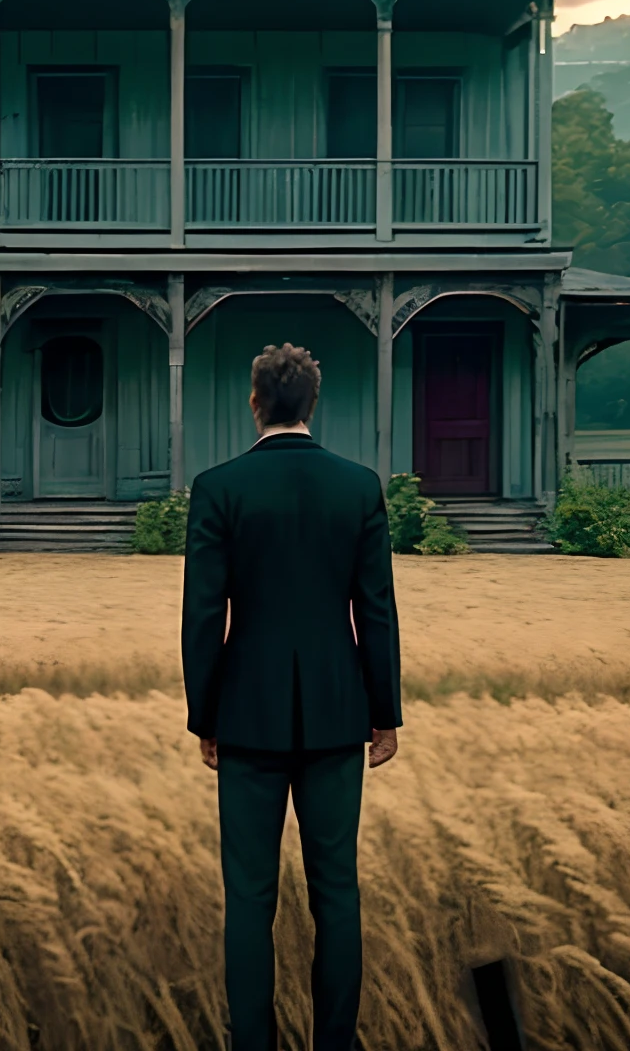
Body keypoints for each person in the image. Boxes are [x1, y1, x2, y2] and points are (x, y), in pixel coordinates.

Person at [181, 341, 402, 1051]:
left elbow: (202, 616)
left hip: (246, 715)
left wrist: (204, 716)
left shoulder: (219, 488)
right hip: (339, 714)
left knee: (250, 899)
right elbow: (376, 610)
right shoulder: (359, 486)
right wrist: (384, 713)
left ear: (255, 404)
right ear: (312, 405)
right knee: (338, 893)